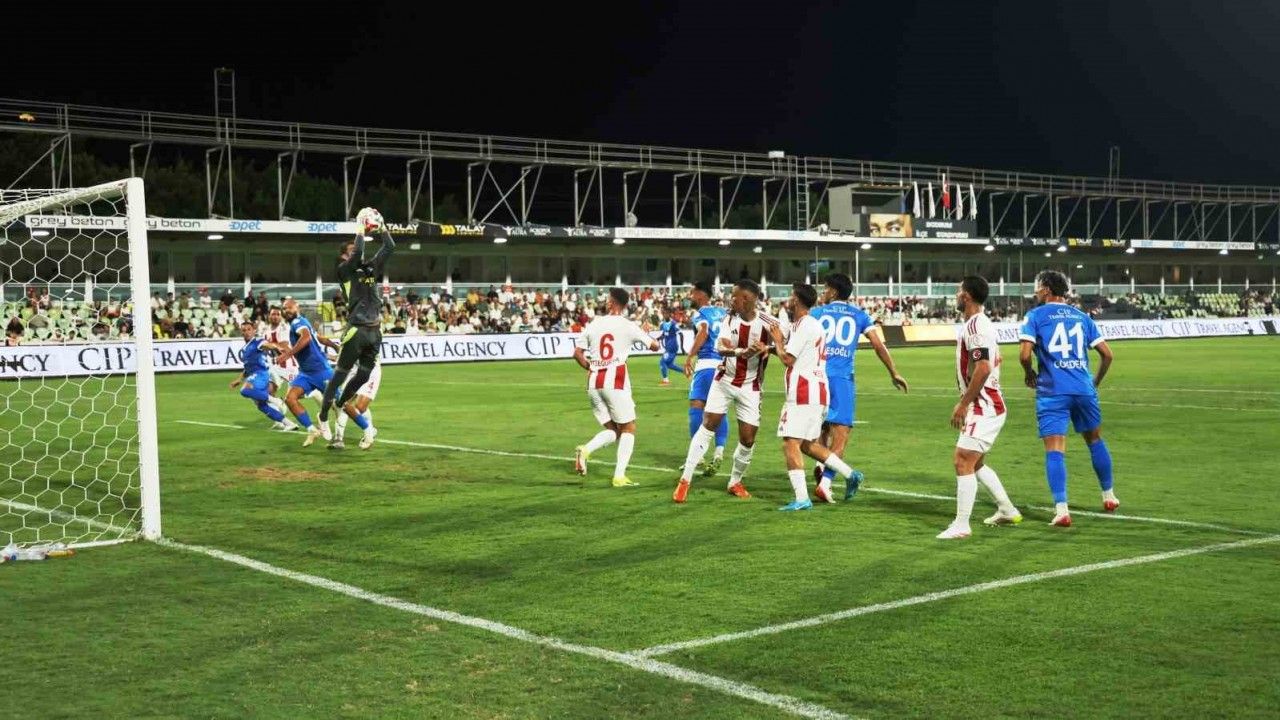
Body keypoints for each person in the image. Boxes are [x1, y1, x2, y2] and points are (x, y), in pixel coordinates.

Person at [1019, 270, 1118, 527]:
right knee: (1094, 440)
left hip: (1053, 391)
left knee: (1055, 448)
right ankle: (1109, 496)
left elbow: (1024, 355)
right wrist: (1094, 382)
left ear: (1047, 289)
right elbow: (1107, 355)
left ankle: (1062, 509)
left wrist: (1029, 373)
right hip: (1083, 389)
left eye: (1038, 286)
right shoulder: (1082, 317)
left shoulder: (1035, 315)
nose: (1035, 291)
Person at [809, 273, 909, 503]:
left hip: (817, 377)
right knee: (841, 435)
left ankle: (820, 464)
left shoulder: (817, 314)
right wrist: (893, 372)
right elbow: (878, 345)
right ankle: (825, 483)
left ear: (834, 291)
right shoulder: (859, 315)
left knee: (821, 427)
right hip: (842, 379)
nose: (823, 292)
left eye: (825, 289)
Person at [673, 280, 772, 503]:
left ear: (746, 299)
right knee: (708, 423)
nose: (730, 299)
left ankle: (735, 481)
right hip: (724, 379)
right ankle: (685, 480)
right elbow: (721, 346)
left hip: (750, 386)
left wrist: (769, 348)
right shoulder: (727, 317)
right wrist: (741, 352)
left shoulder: (768, 322)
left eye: (734, 296)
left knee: (747, 439)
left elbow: (787, 345)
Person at [938, 276, 1021, 539]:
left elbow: (983, 367)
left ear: (967, 296)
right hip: (986, 402)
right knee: (975, 462)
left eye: (958, 290)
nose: (956, 294)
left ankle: (962, 525)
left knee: (963, 459)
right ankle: (1007, 509)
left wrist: (964, 404)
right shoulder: (979, 324)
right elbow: (994, 359)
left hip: (983, 405)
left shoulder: (975, 325)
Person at [764, 283, 860, 511]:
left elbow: (788, 359)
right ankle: (851, 474)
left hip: (804, 391)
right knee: (807, 445)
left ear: (797, 300)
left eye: (791, 296)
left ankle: (801, 498)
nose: (788, 300)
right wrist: (771, 347)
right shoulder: (808, 325)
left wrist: (777, 341)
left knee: (790, 443)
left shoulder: (806, 324)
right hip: (816, 391)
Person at [572, 287, 660, 487]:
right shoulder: (629, 326)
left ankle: (585, 450)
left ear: (612, 303)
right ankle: (619, 476)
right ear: (625, 305)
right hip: (615, 381)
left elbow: (577, 353)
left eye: (607, 299)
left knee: (614, 431)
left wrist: (592, 367)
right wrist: (645, 333)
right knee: (628, 428)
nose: (605, 302)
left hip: (594, 382)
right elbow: (655, 346)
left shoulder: (595, 324)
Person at [319, 208, 395, 427]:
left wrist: (382, 227)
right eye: (352, 251)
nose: (357, 252)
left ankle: (340, 403)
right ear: (345, 256)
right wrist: (360, 227)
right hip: (356, 329)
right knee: (339, 376)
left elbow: (390, 247)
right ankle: (323, 415)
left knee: (363, 376)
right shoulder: (344, 270)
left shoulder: (370, 268)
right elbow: (359, 249)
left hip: (374, 330)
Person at [683, 281, 731, 475]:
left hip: (706, 365)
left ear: (700, 295)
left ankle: (698, 457)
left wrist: (689, 356)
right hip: (723, 366)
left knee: (696, 406)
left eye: (693, 293)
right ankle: (719, 452)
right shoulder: (722, 312)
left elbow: (703, 332)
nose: (690, 296)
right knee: (719, 409)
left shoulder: (700, 314)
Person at [274, 298, 334, 447]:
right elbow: (316, 341)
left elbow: (308, 339)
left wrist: (287, 354)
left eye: (289, 308)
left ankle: (365, 427)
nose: (285, 311)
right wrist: (333, 348)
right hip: (304, 371)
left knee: (338, 404)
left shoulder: (297, 323)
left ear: (297, 307)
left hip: (317, 370)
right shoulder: (294, 325)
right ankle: (312, 429)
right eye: (284, 309)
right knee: (290, 398)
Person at [229, 320, 296, 431]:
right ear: (241, 332)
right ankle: (289, 424)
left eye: (249, 329)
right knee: (261, 406)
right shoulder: (245, 350)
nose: (247, 332)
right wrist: (239, 379)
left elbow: (267, 345)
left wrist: (277, 348)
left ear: (254, 331)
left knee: (245, 390)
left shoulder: (257, 342)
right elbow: (248, 368)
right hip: (255, 375)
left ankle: (276, 401)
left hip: (261, 374)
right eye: (244, 330)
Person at [316, 333, 379, 450]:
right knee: (343, 404)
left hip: (371, 372)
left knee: (360, 406)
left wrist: (329, 355)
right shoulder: (350, 336)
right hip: (353, 372)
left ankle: (370, 431)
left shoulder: (366, 336)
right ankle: (338, 439)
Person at [657, 308, 683, 385]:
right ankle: (686, 371)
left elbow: (681, 334)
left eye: (666, 314)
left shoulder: (673, 323)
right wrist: (658, 339)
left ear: (670, 314)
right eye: (664, 314)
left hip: (672, 346)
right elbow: (664, 334)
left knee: (662, 362)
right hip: (668, 346)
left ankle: (665, 380)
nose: (665, 315)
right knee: (670, 365)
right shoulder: (663, 324)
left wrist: (682, 347)